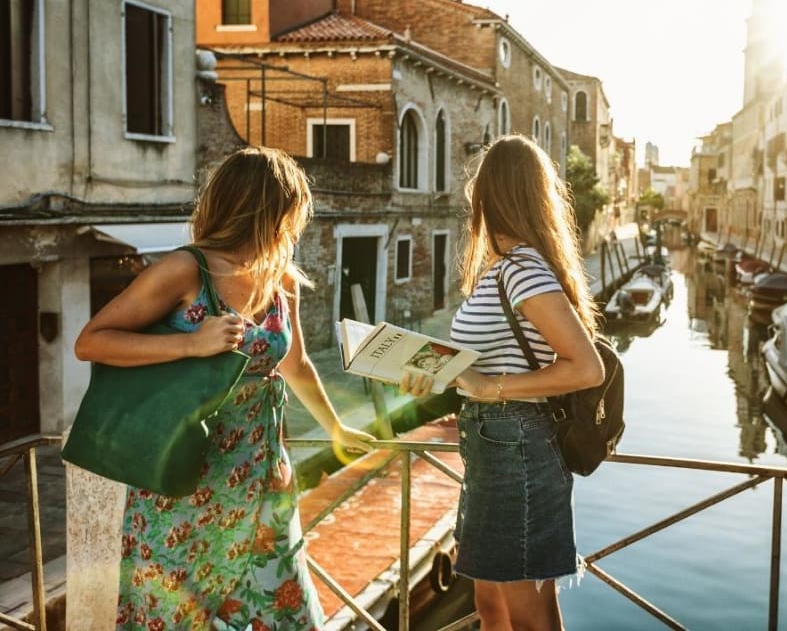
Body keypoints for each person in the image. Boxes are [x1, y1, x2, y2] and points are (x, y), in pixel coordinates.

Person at [75, 146, 375, 631]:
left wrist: (336, 426)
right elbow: (91, 342)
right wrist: (191, 346)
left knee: (281, 610)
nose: (294, 227)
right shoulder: (185, 269)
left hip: (263, 478)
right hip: (182, 479)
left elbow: (294, 363)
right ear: (265, 210)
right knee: (176, 614)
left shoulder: (281, 280)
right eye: (290, 213)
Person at [404, 135, 604, 630]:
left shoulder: (522, 270)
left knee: (529, 613)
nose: (473, 200)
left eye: (479, 189)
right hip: (490, 447)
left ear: (494, 196)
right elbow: (484, 367)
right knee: (491, 603)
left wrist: (489, 388)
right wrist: (431, 376)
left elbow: (585, 367)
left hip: (519, 447)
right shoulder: (498, 272)